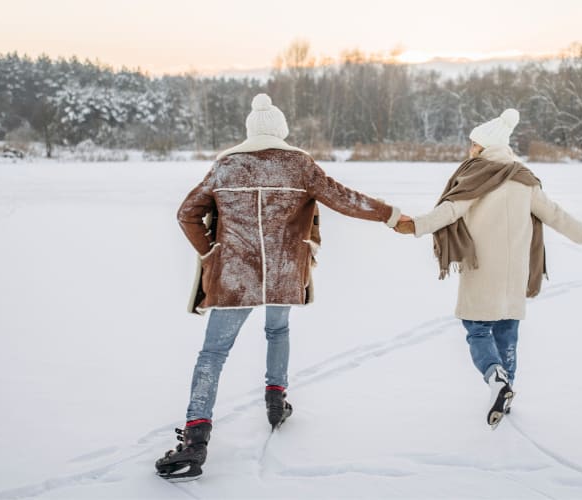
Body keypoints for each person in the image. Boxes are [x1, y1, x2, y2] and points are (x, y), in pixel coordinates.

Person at [155, 94, 403, 481]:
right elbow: (345, 200)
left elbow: (187, 213)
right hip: (285, 272)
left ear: (250, 131)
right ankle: (276, 399)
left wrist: (212, 253)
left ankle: (195, 437)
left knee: (213, 353)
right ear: (282, 132)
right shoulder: (299, 165)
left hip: (234, 276)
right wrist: (391, 216)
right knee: (277, 330)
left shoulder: (226, 166)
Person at [395, 108, 582, 429]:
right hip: (515, 271)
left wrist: (415, 225)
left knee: (476, 329)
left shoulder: (477, 177)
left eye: (472, 143)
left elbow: (449, 211)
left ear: (483, 147)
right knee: (507, 334)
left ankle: (495, 377)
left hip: (482, 269)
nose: (469, 148)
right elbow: (553, 213)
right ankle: (506, 392)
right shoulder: (524, 180)